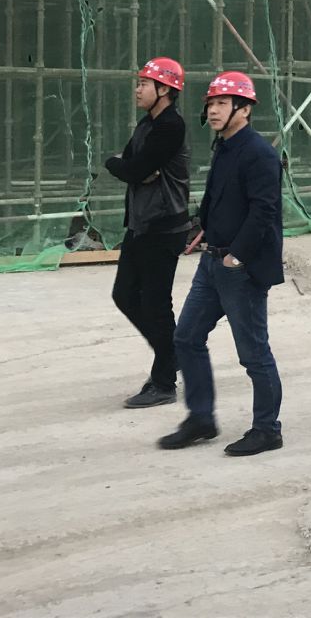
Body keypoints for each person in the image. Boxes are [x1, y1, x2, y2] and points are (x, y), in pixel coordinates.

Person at [158, 71, 285, 457]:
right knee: (186, 337)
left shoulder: (259, 153)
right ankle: (201, 418)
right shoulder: (225, 147)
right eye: (211, 104)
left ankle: (267, 429)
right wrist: (202, 228)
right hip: (212, 263)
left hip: (239, 269)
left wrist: (236, 255)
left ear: (243, 109)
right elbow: (220, 198)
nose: (213, 110)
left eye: (222, 104)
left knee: (253, 353)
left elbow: (264, 211)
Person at [105, 57, 191, 409]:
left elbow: (132, 169)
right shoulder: (147, 125)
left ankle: (164, 382)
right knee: (124, 294)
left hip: (164, 226)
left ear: (165, 89)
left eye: (144, 84)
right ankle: (172, 355)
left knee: (156, 304)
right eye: (138, 83)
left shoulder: (171, 126)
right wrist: (126, 166)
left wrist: (124, 166)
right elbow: (130, 165)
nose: (138, 90)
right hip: (141, 224)